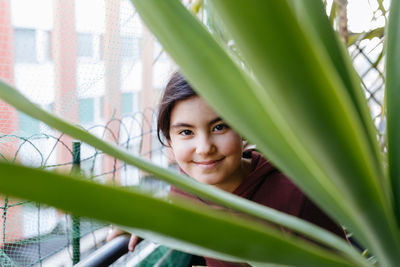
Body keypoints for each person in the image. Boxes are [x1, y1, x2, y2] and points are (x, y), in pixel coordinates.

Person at [107, 71, 347, 266]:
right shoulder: (185, 188)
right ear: (170, 140)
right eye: (186, 132)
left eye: (219, 127)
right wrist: (142, 220)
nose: (204, 148)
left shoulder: (294, 195)